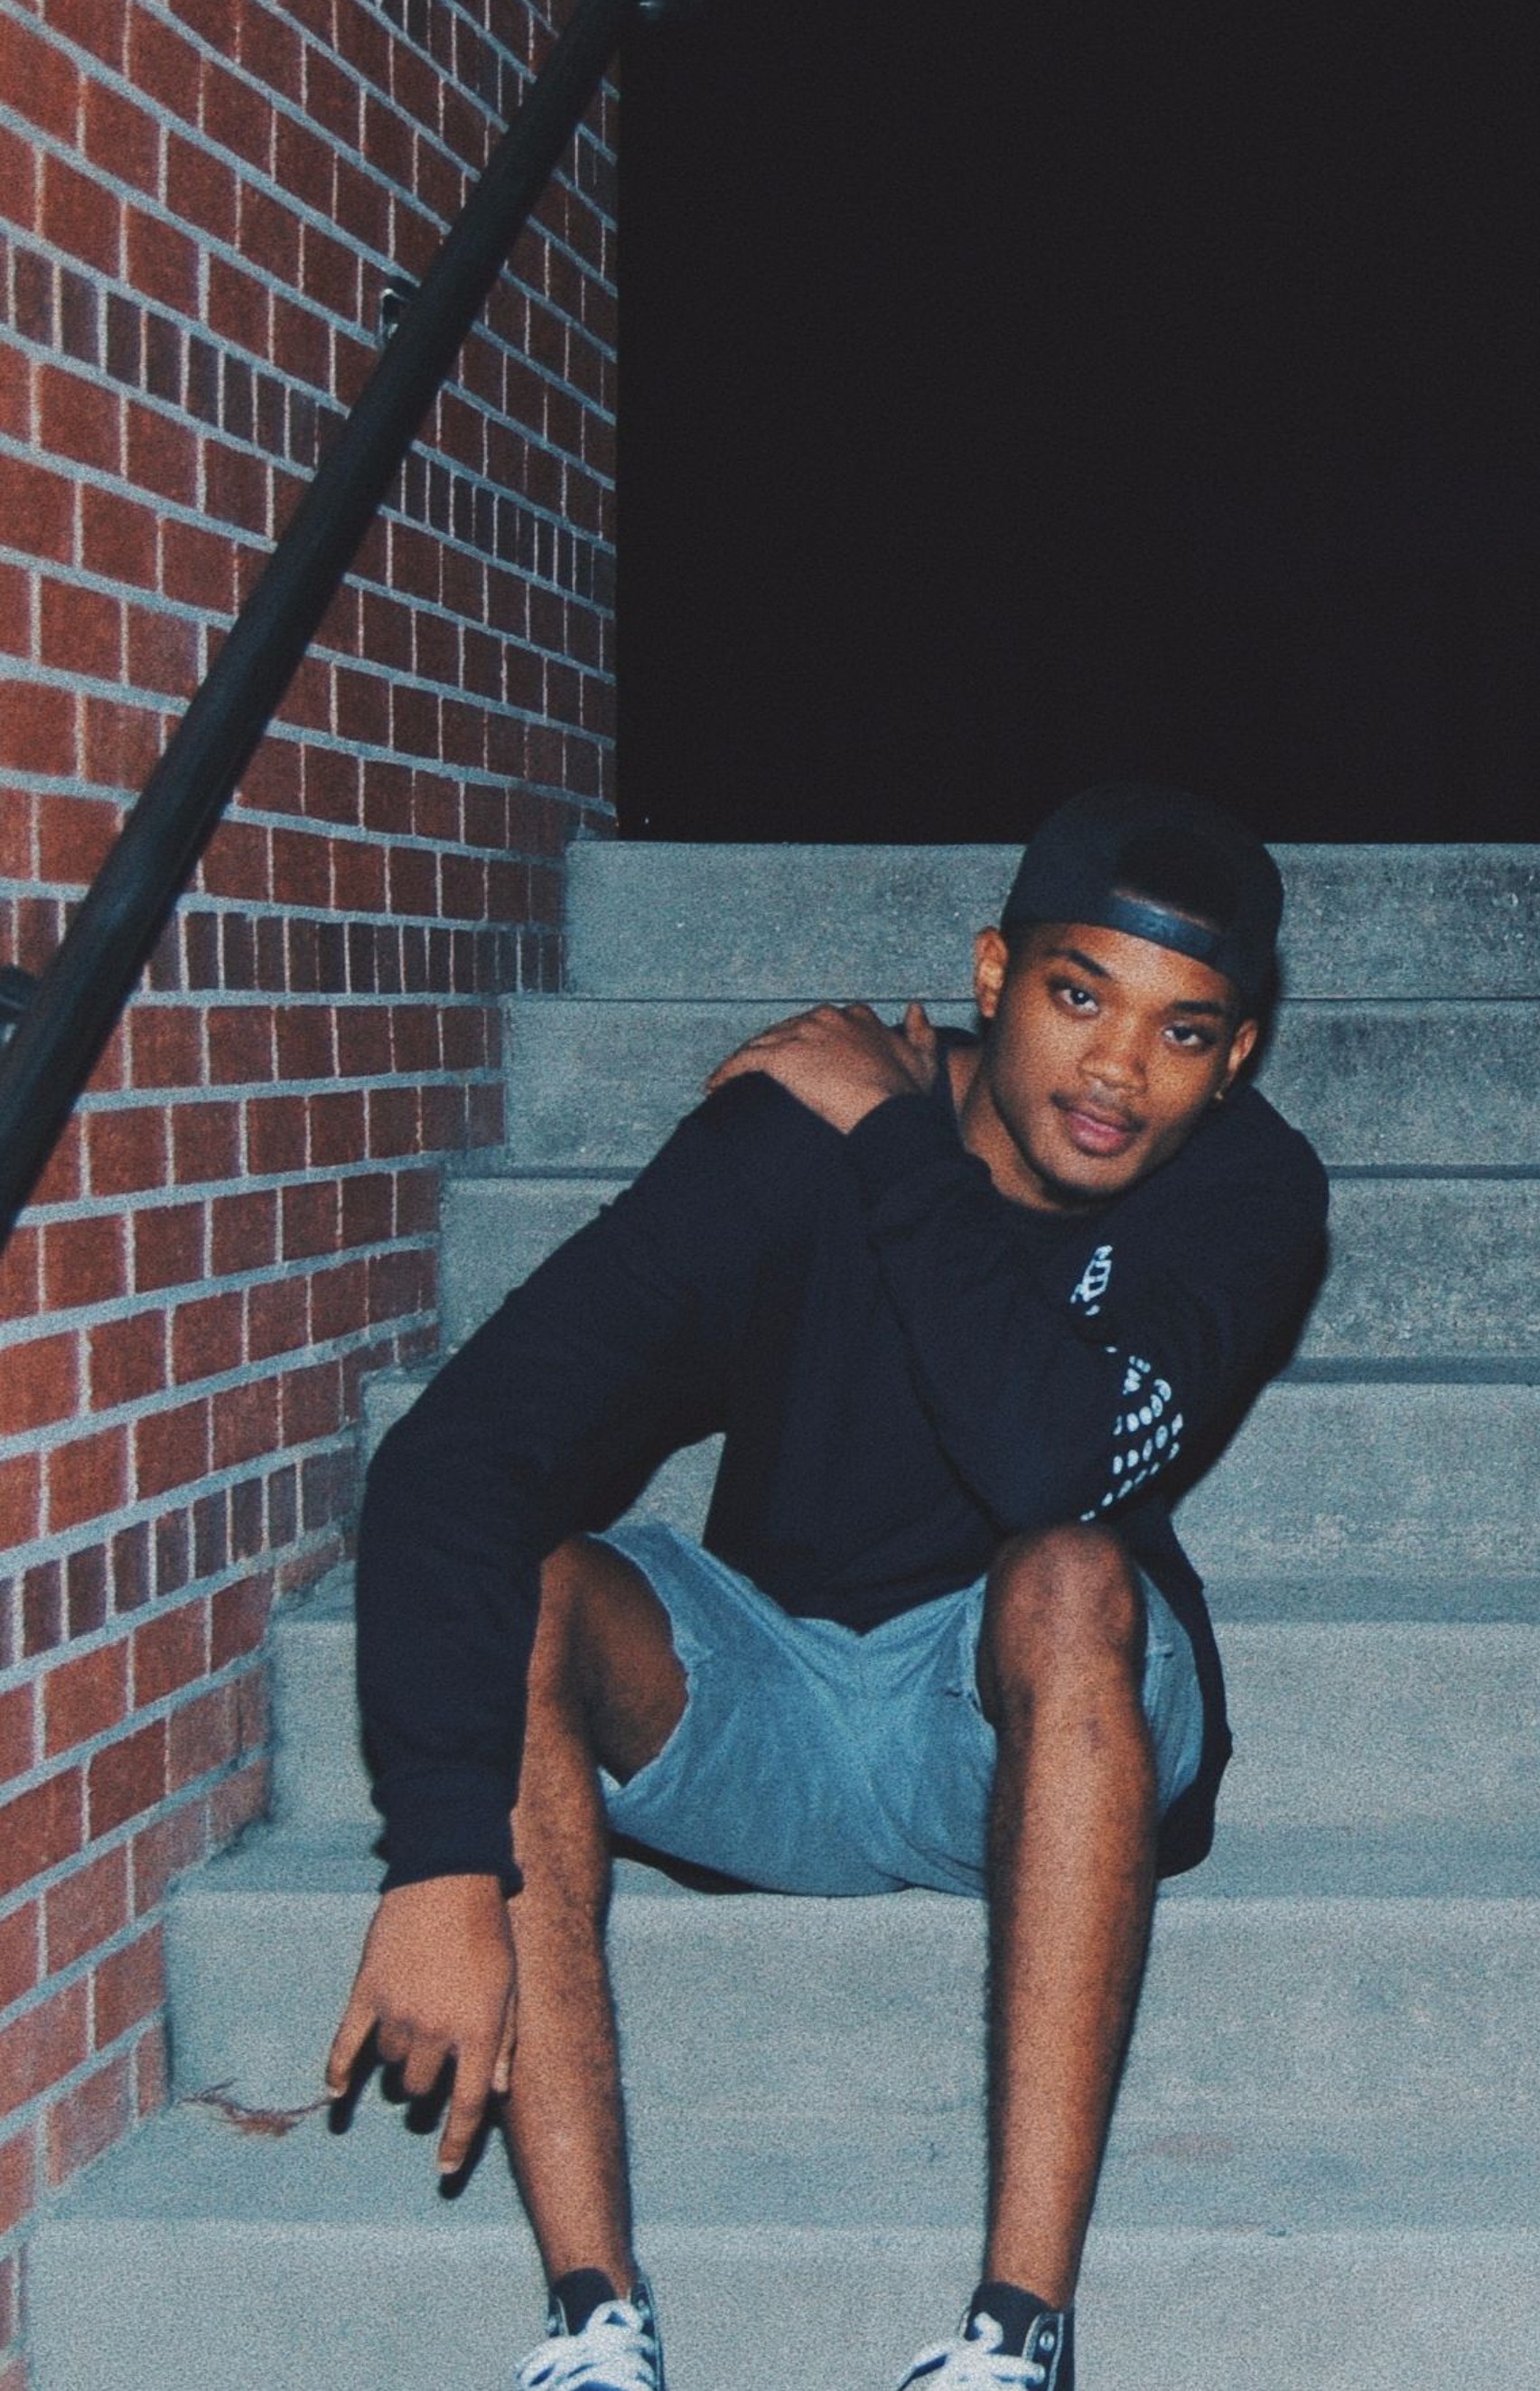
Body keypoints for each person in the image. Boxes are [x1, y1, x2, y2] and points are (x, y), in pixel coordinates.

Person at [324, 785, 1329, 2391]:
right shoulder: (781, 1147)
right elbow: (460, 1456)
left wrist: (896, 1137)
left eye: (1184, 1033)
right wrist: (442, 1857)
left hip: (1024, 1716)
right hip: (773, 1691)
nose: (1118, 1072)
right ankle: (595, 2327)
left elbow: (1045, 1465)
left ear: (1238, 1058)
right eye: (1080, 997)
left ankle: (1018, 2340)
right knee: (545, 1588)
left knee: (1074, 1572)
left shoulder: (1246, 1191)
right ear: (995, 975)